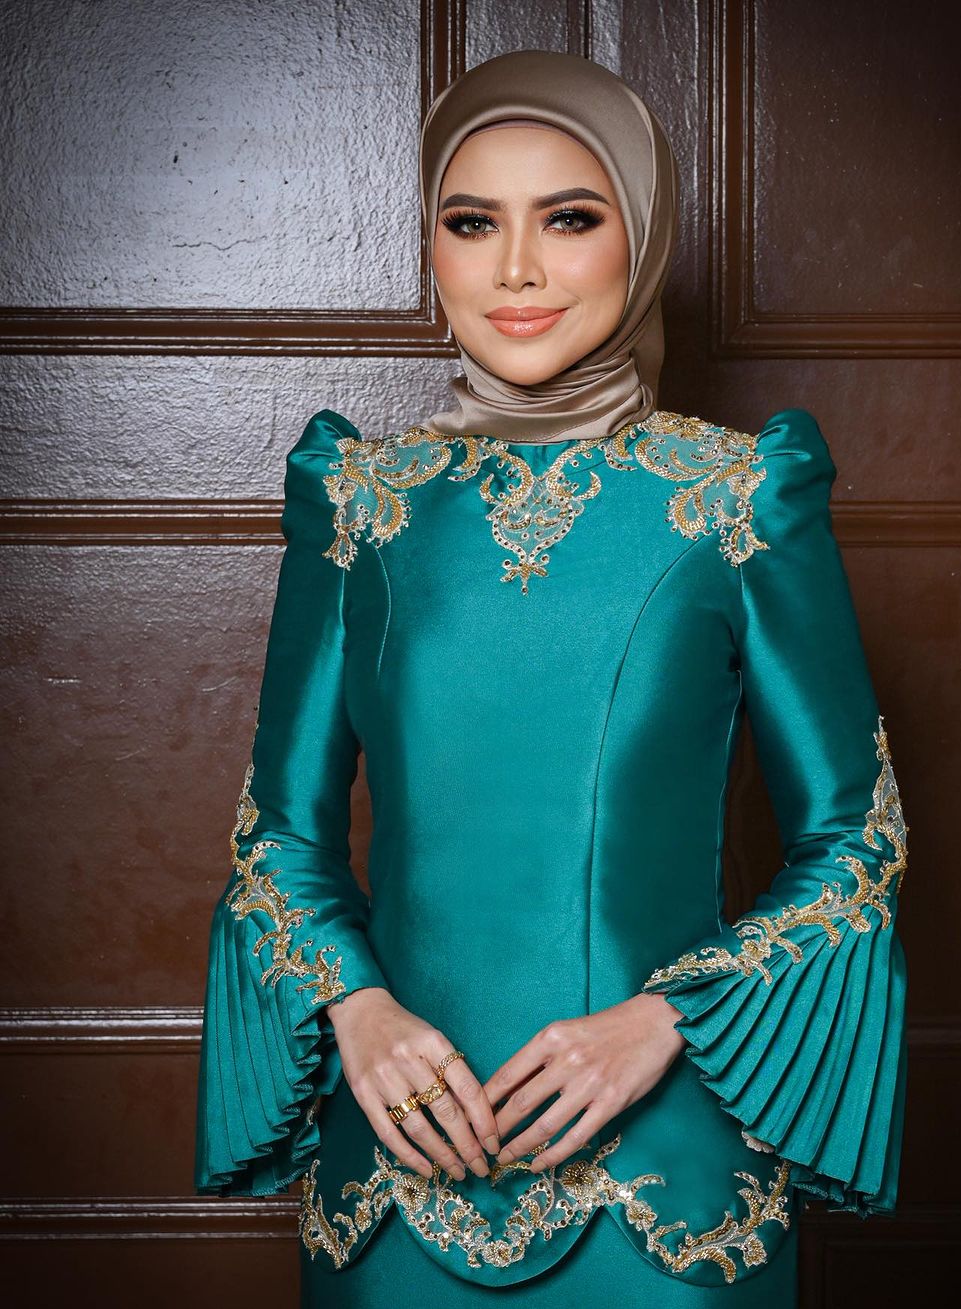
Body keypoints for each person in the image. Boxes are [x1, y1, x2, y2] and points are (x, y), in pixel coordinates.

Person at [194, 49, 909, 1308]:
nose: (515, 269)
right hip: (398, 1163)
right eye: (472, 224)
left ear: (643, 239)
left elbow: (857, 838)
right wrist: (357, 1009)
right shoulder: (357, 503)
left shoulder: (742, 498)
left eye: (569, 219)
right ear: (432, 251)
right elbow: (282, 836)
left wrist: (662, 1022)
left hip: (672, 1181)